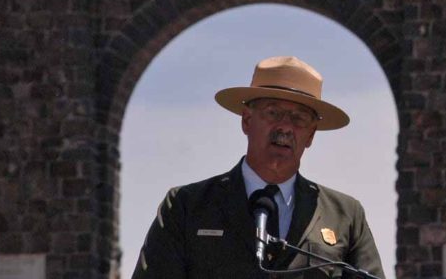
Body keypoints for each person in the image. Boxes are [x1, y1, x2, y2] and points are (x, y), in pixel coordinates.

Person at [131, 55, 386, 278]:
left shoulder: (345, 215)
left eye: (298, 118)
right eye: (273, 113)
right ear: (246, 120)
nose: (285, 127)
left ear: (311, 136)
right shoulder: (187, 206)